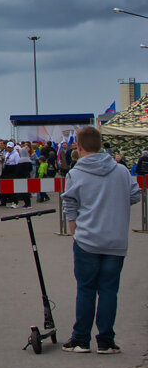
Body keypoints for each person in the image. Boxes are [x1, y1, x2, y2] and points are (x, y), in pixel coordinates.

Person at [60, 126, 142, 354]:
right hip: (115, 240)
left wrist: (74, 225)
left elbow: (70, 203)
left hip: (87, 239)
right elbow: (135, 194)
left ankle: (81, 339)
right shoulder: (121, 171)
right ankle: (106, 341)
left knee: (86, 289)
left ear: (79, 145)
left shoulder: (75, 173)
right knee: (108, 290)